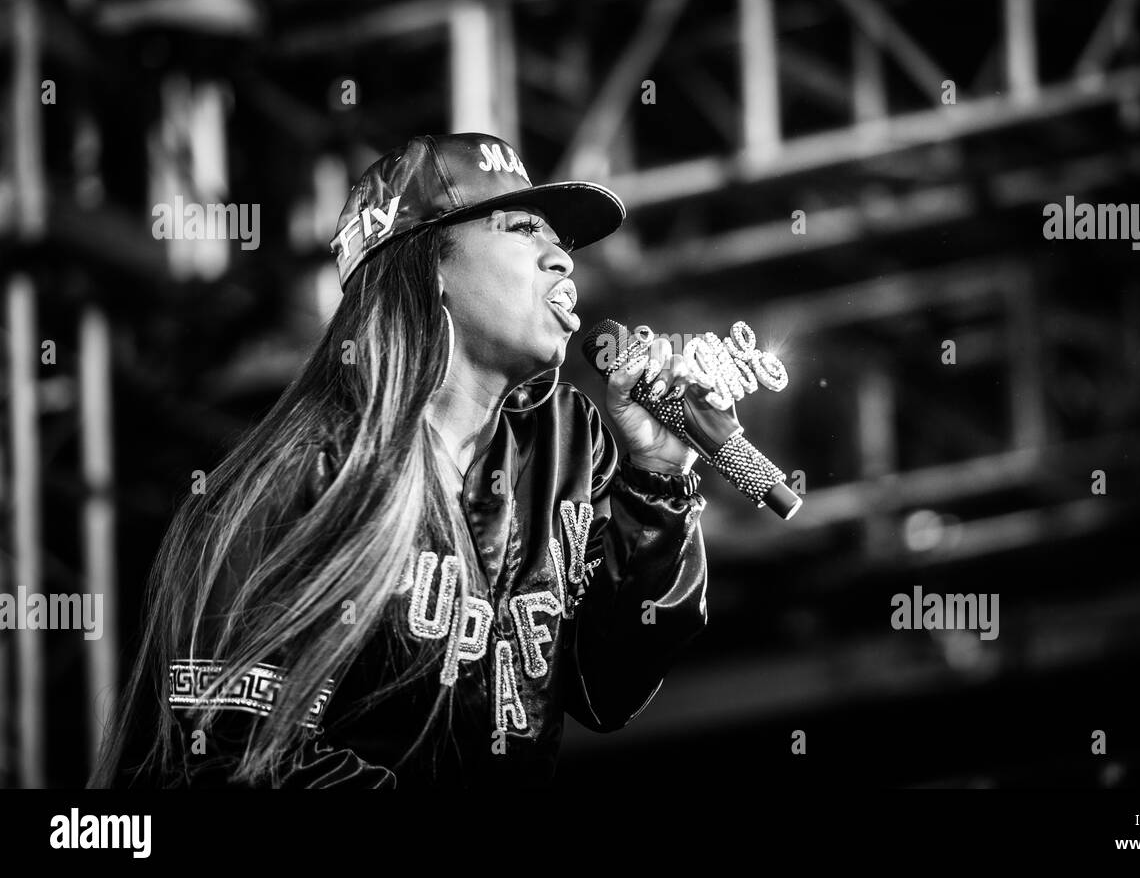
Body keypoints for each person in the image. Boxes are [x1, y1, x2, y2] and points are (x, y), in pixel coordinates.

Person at [91, 132, 726, 788]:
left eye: (561, 241)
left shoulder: (564, 445)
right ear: (432, 267)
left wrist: (659, 474)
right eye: (523, 229)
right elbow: (229, 757)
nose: (561, 258)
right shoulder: (308, 474)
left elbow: (609, 685)